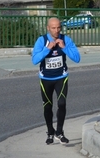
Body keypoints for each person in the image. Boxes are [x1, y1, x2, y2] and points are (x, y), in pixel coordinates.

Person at [32, 17, 81, 145]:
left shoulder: (66, 39)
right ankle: (50, 132)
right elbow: (34, 60)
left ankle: (59, 132)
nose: (56, 30)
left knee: (62, 103)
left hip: (61, 77)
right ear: (48, 28)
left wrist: (64, 47)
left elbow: (77, 58)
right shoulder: (41, 40)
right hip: (46, 78)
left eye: (59, 27)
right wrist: (47, 49)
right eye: (53, 28)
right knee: (47, 106)